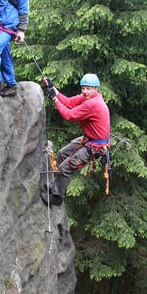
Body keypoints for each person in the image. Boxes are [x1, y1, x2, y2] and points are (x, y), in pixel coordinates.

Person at [41, 73, 110, 206]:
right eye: (83, 88)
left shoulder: (93, 104)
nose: (84, 91)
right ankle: (56, 186)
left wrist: (55, 100)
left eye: (88, 88)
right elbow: (67, 102)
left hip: (95, 146)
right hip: (89, 139)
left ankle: (57, 197)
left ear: (96, 89)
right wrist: (53, 88)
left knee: (64, 169)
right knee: (62, 153)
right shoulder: (87, 98)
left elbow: (69, 115)